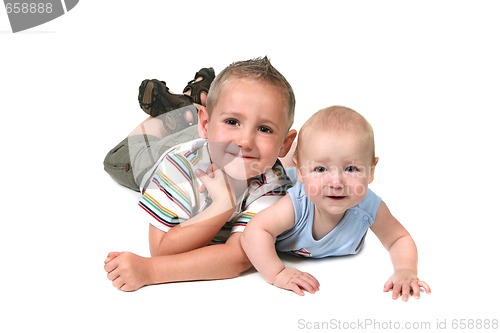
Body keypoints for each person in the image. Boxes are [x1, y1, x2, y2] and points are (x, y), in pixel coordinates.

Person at [103, 57, 297, 291]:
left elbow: (239, 257)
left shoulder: (273, 181)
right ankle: (178, 109)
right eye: (233, 121)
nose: (245, 141)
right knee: (120, 158)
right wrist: (150, 270)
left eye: (264, 129)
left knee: (232, 138)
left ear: (284, 144)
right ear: (205, 124)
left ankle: (197, 100)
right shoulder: (178, 168)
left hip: (215, 141)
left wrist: (223, 203)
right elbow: (161, 249)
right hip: (159, 157)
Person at [240, 106, 431, 301]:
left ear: (371, 171)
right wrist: (278, 273)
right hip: (274, 185)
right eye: (321, 169)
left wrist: (405, 270)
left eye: (351, 168)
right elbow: (254, 232)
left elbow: (399, 239)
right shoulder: (297, 203)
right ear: (301, 172)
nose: (336, 183)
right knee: (262, 173)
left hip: (303, 172)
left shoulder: (368, 207)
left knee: (308, 159)